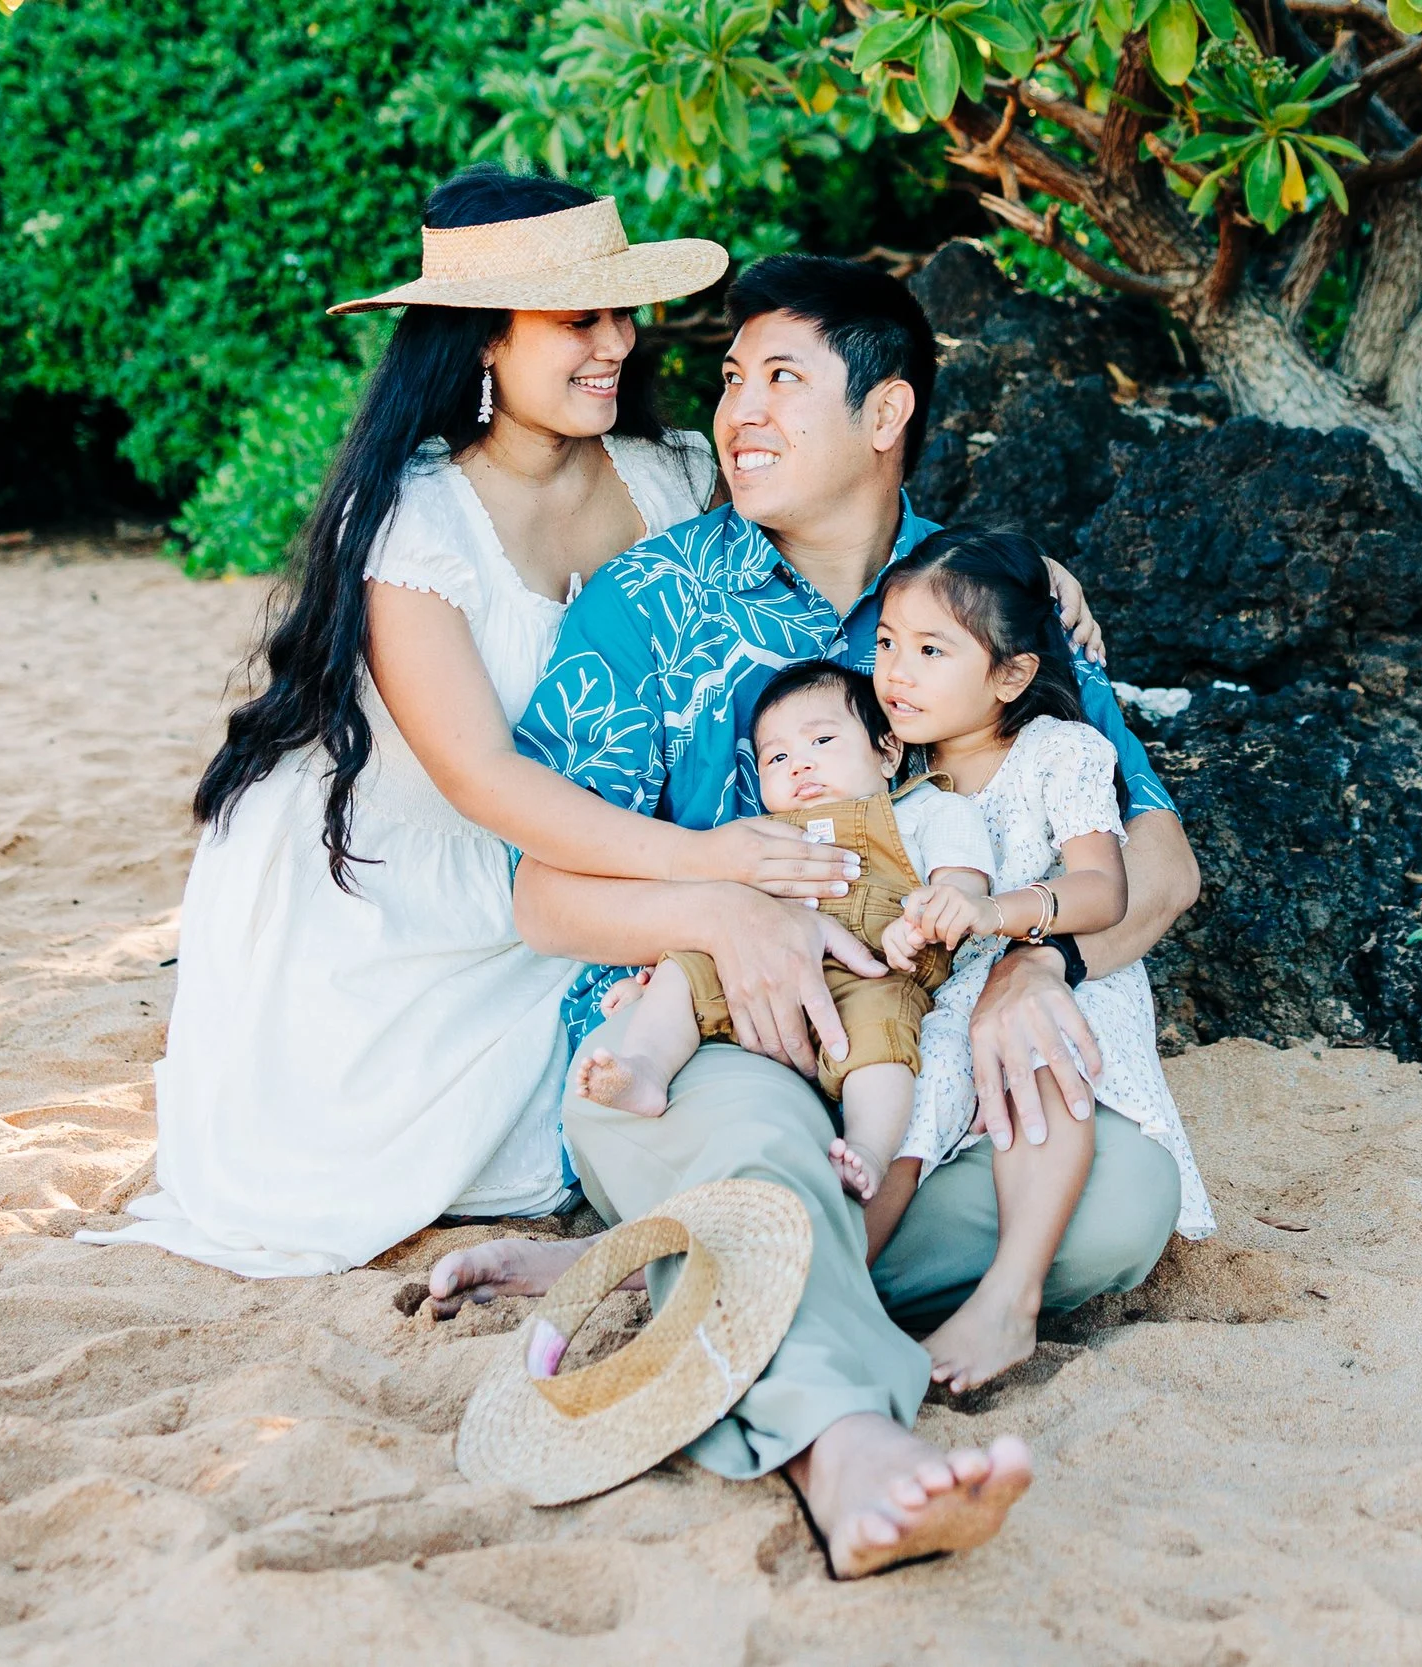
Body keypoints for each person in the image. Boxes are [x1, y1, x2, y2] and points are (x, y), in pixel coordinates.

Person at [426, 253, 1202, 1578]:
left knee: (1122, 1197)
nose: (739, 412)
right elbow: (541, 892)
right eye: (731, 380)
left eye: (782, 378)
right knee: (771, 1139)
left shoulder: (985, 600)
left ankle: (665, 1264)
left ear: (888, 413)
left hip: (909, 1052)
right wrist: (732, 919)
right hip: (687, 1041)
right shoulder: (647, 603)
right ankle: (850, 1449)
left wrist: (1037, 962)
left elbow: (1163, 866)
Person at [79, 169, 865, 1278]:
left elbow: (836, 547)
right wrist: (702, 867)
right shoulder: (414, 515)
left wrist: (1017, 579)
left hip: (596, 854)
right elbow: (483, 780)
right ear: (482, 341)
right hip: (412, 877)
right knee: (389, 1163)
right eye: (575, 319)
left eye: (620, 312)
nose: (617, 344)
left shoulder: (675, 475)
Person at [867, 528, 1213, 1393]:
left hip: (1060, 984)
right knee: (907, 1122)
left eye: (931, 650)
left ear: (1012, 674)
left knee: (1038, 1070)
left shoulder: (1058, 754)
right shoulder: (896, 773)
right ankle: (828, 1287)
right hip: (945, 1003)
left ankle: (1011, 1295)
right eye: (885, 644)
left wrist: (1005, 918)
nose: (896, 672)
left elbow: (1105, 890)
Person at [572, 662, 996, 1230]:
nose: (799, 763)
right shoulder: (760, 836)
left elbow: (965, 889)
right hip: (756, 968)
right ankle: (646, 1068)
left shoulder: (925, 812)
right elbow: (717, 911)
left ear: (887, 753)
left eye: (822, 740)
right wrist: (654, 978)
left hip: (871, 974)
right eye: (776, 758)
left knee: (883, 1044)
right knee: (687, 962)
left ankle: (868, 1148)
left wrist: (925, 917)